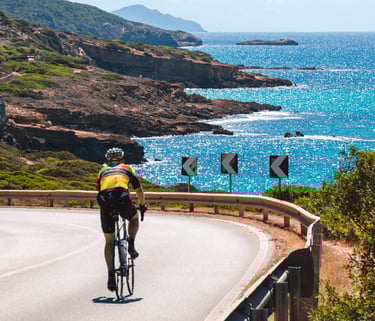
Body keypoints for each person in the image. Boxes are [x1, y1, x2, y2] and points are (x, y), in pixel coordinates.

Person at [96, 147, 147, 292]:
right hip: (122, 197)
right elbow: (138, 189)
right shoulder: (127, 168)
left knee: (109, 241)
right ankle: (131, 243)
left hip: (105, 200)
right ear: (123, 160)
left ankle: (111, 275)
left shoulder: (102, 170)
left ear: (107, 160)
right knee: (134, 218)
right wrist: (142, 205)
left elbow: (99, 189)